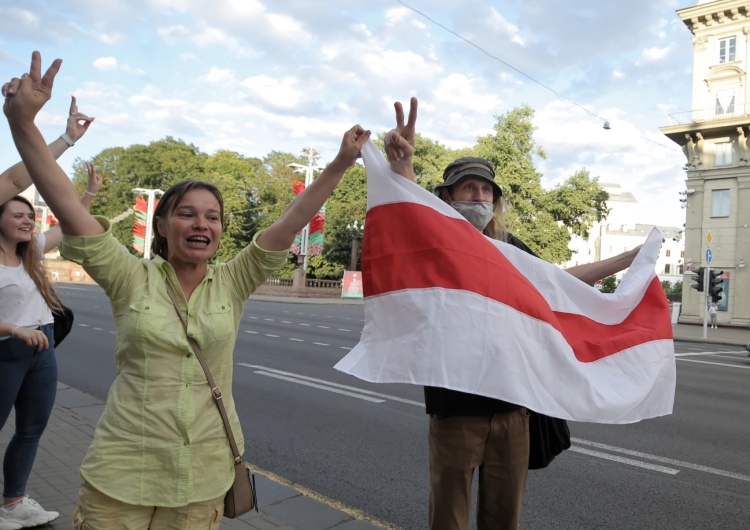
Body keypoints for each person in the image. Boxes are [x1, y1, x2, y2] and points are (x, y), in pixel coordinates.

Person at [3, 51, 371, 529]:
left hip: (201, 479)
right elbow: (64, 200)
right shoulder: (128, 274)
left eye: (212, 216)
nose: (201, 223)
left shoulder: (235, 280)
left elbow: (292, 220)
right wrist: (22, 122)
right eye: (187, 213)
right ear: (161, 223)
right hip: (121, 476)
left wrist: (341, 162)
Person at [384, 97, 643, 530]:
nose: (479, 197)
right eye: (468, 188)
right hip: (455, 414)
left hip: (512, 414)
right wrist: (402, 167)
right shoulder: (434, 245)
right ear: (446, 196)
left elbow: (559, 281)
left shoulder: (510, 251)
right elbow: (409, 212)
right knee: (448, 520)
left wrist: (626, 259)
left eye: (486, 190)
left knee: (504, 521)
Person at [0, 98, 96, 530]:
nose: (27, 221)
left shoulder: (32, 253)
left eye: (29, 215)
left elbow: (67, 224)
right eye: (17, 214)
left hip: (42, 349)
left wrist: (89, 194)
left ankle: (14, 502)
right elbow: (15, 176)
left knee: (31, 430)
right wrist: (14, 330)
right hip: (6, 348)